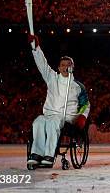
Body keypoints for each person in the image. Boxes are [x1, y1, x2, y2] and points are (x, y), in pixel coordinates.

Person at [27, 35, 90, 167]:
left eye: (68, 65)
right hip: (49, 114)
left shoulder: (78, 86)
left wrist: (82, 117)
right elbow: (42, 63)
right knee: (38, 121)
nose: (65, 67)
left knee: (53, 123)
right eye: (62, 65)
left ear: (73, 67)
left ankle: (49, 156)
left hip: (67, 117)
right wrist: (36, 48)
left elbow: (85, 104)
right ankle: (36, 154)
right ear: (59, 67)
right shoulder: (52, 78)